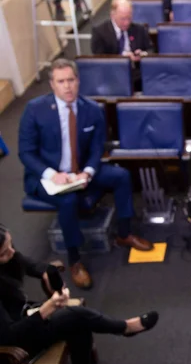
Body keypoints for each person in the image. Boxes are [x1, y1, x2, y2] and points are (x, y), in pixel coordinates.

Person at [18, 59, 153, 289]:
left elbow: (97, 147)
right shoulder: (35, 109)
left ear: (78, 81)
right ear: (52, 84)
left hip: (80, 172)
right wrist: (52, 174)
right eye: (61, 81)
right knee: (68, 200)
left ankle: (124, 233)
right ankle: (75, 259)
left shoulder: (92, 109)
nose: (67, 86)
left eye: (71, 80)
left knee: (121, 177)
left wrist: (88, 173)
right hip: (47, 177)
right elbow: (26, 152)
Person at [0, 224, 158, 364]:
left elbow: (32, 265)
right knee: (76, 318)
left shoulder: (9, 256)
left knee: (77, 321)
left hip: (23, 315)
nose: (12, 252)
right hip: (15, 343)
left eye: (11, 245)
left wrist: (47, 274)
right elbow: (9, 337)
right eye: (4, 253)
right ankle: (124, 328)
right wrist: (46, 310)